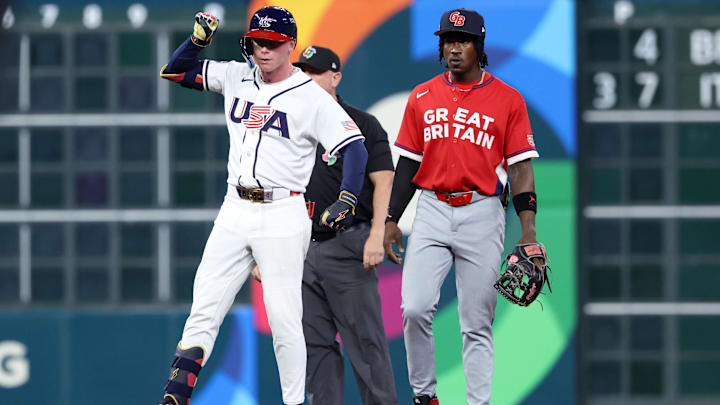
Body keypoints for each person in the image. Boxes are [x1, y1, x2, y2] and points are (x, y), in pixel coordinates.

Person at [156, 7, 368, 405]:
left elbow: (353, 146)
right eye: (257, 42)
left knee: (285, 322)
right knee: (203, 306)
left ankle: (292, 402)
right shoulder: (237, 74)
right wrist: (198, 41)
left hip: (283, 212)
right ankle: (174, 397)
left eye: (273, 43)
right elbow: (175, 72)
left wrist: (348, 196)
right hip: (235, 206)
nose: (264, 50)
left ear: (290, 45)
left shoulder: (310, 95)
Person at [382, 8, 544, 405]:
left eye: (464, 41)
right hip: (432, 209)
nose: (455, 49)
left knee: (476, 322)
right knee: (415, 309)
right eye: (448, 41)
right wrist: (390, 219)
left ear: (480, 46)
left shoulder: (508, 99)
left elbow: (520, 168)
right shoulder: (422, 96)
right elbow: (408, 163)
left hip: (482, 211)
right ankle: (425, 395)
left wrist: (528, 232)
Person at [293, 45, 397, 405]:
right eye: (301, 72)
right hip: (300, 247)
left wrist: (378, 235)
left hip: (347, 244)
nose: (305, 79)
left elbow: (384, 181)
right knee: (314, 347)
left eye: (314, 72)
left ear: (335, 78)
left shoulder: (361, 124)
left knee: (365, 343)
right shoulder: (289, 126)